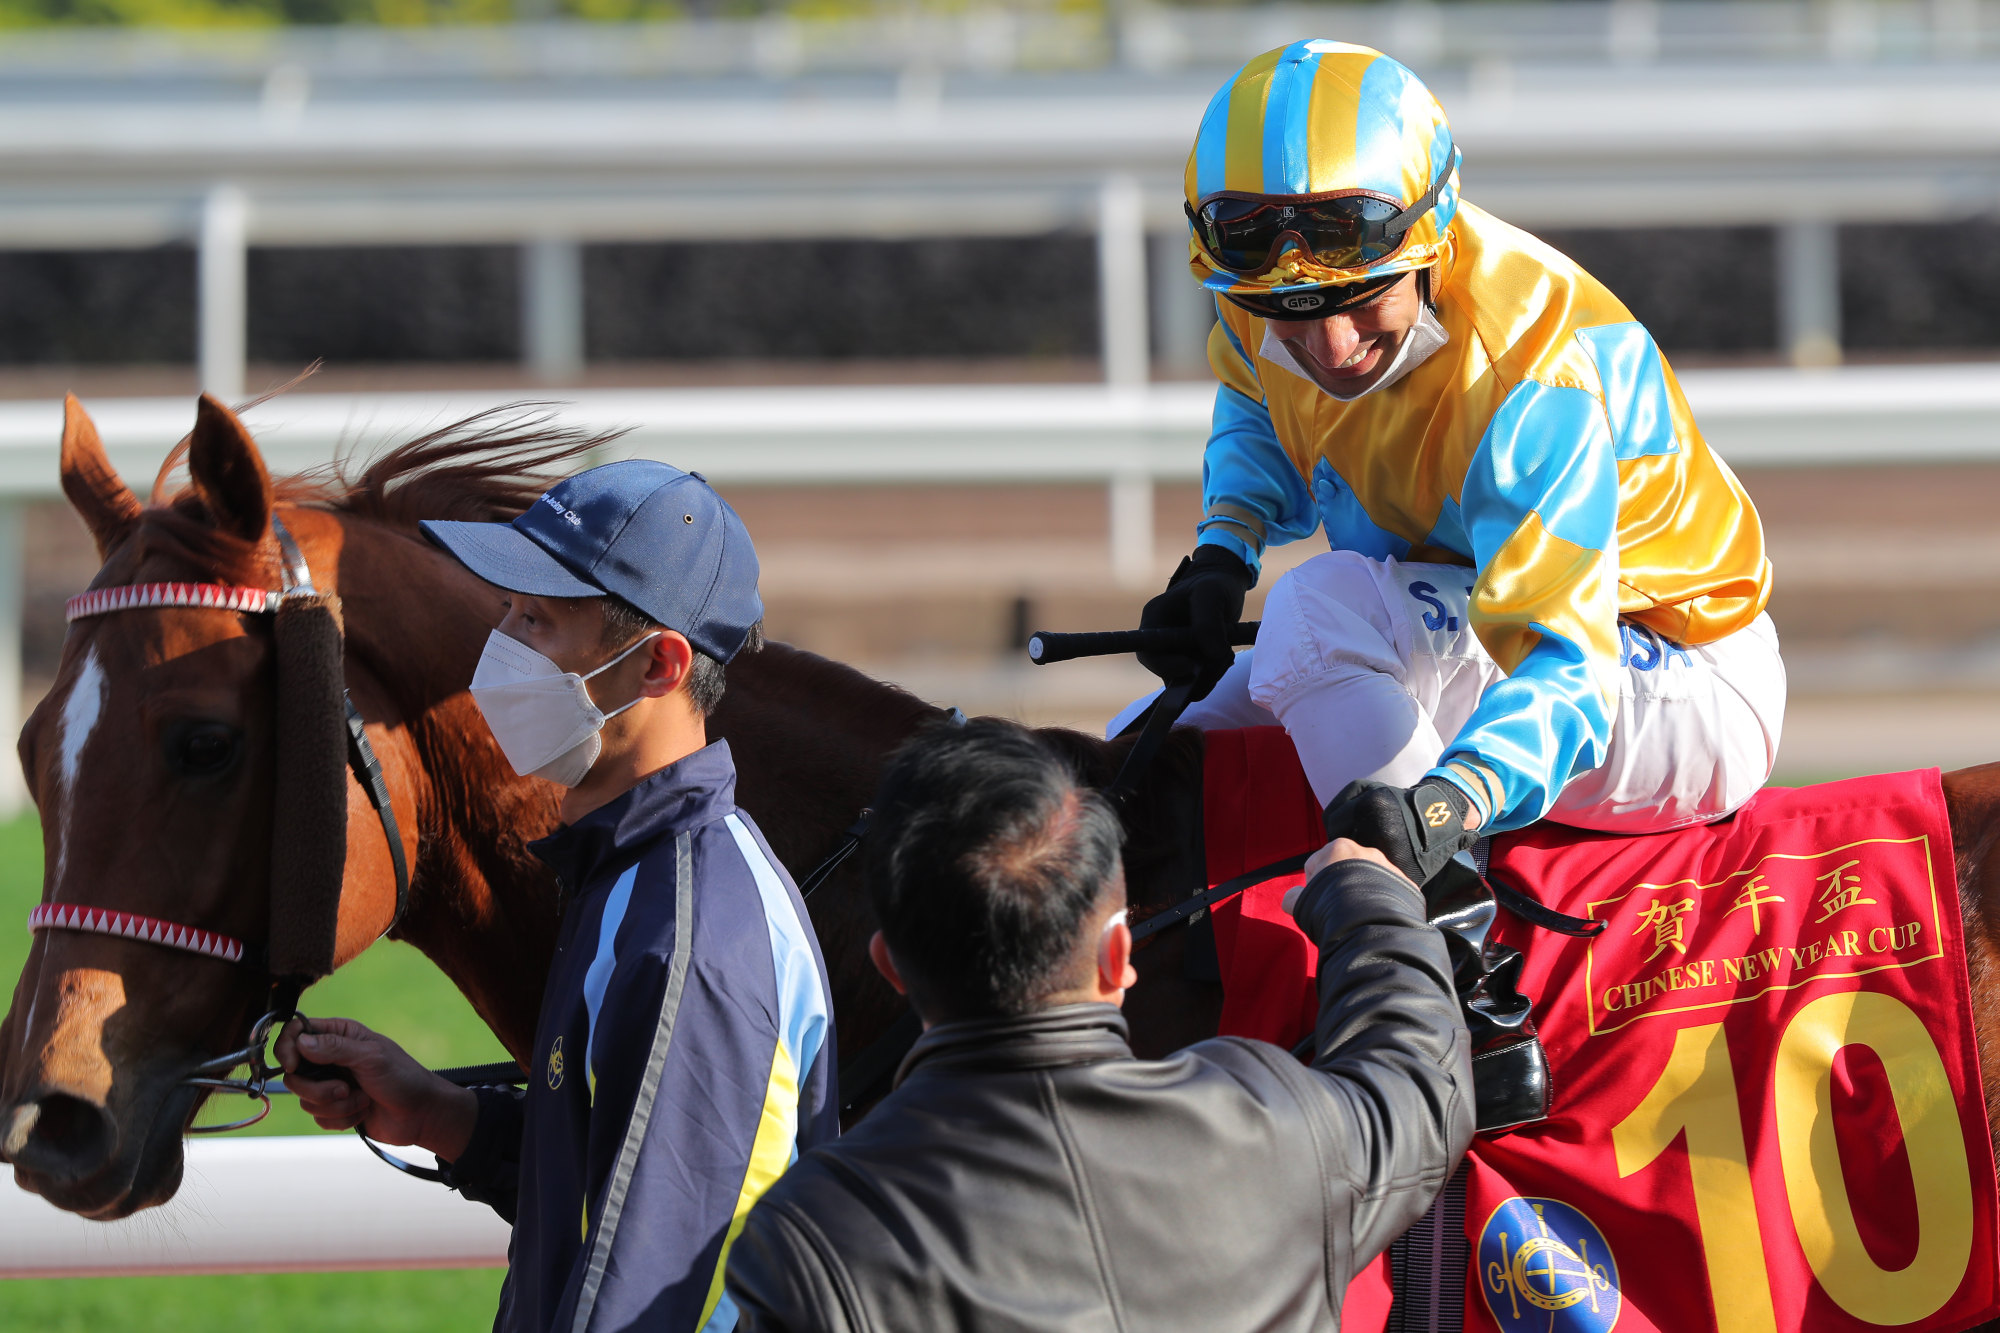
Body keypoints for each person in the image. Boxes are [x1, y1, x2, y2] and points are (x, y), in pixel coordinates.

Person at [1134, 40, 1784, 888]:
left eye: (1363, 299)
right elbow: (1258, 398)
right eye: (1287, 315)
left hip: (1666, 668)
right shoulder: (1257, 300)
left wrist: (1445, 807)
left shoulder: (1531, 380)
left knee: (1316, 615)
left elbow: (1569, 670)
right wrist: (1225, 550)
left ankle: (1446, 945)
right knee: (1143, 744)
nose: (1329, 348)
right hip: (1472, 622)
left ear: (1433, 236)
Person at [276, 460, 837, 1333]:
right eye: (506, 609)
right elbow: (609, 1183)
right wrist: (442, 1115)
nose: (499, 645)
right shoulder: (630, 876)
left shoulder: (688, 935)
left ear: (658, 663)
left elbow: (658, 1293)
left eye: (536, 619)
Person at [723, 719, 1472, 1332]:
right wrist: (1369, 900)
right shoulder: (1276, 1125)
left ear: (890, 965)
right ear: (1118, 953)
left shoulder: (811, 1239)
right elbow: (1420, 1085)